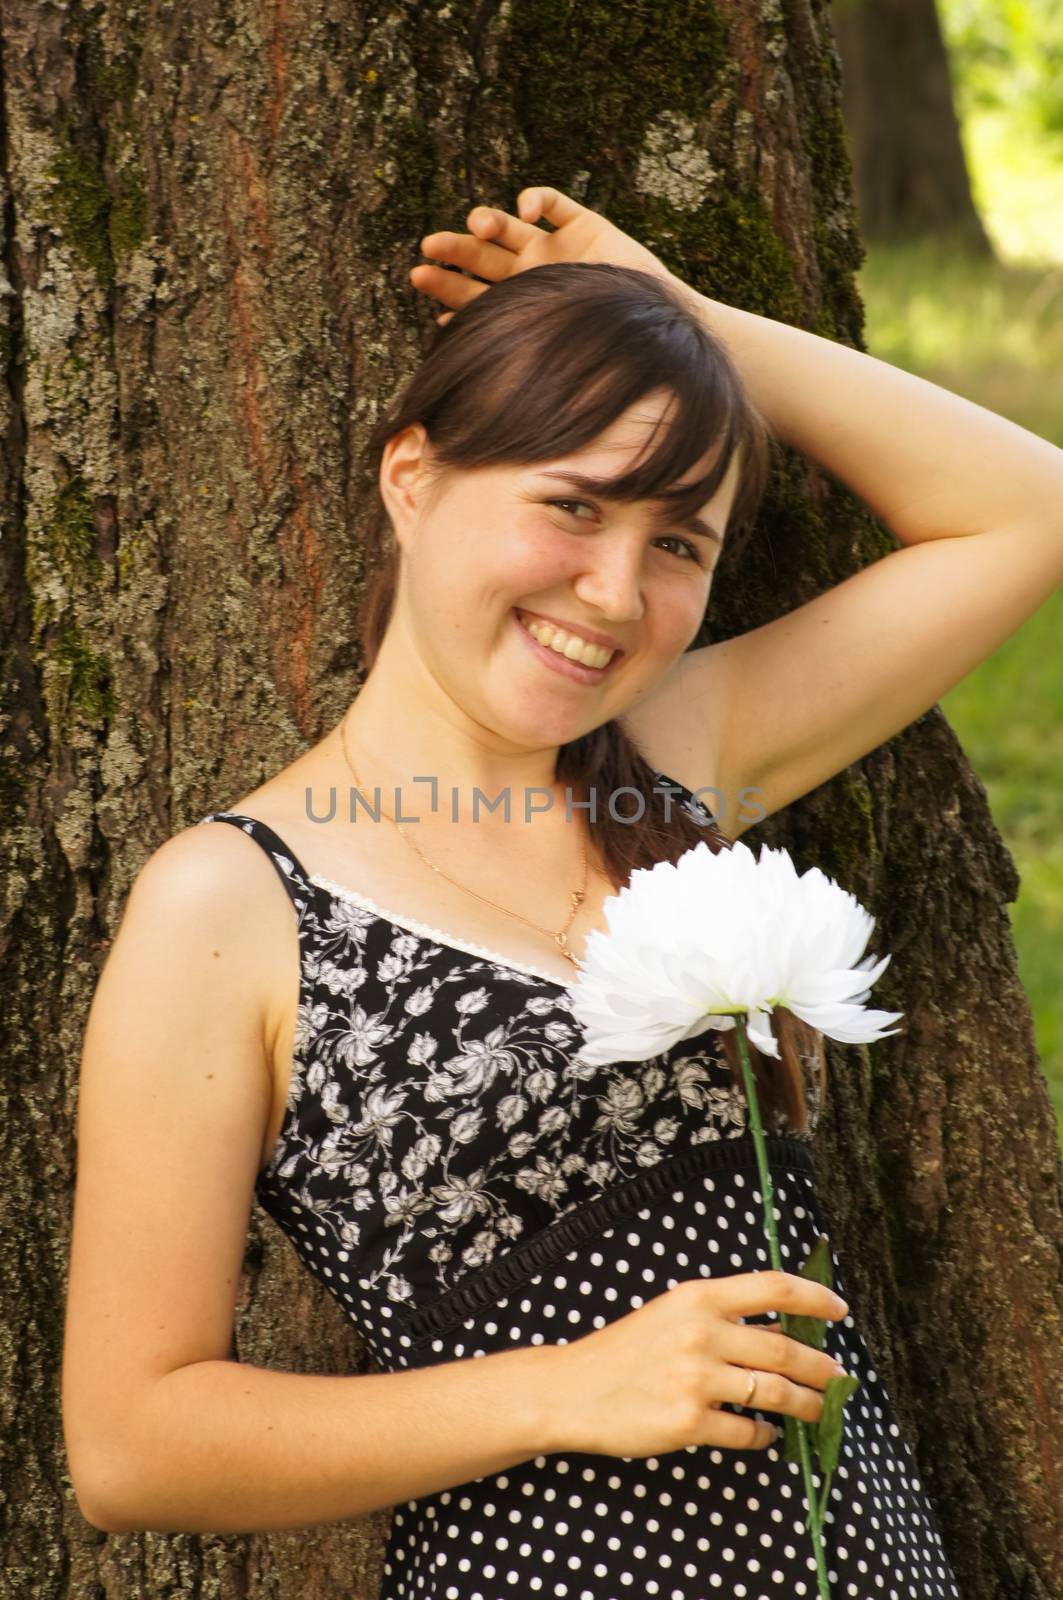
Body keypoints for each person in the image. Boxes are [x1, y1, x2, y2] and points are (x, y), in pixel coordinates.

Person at [61, 184, 1062, 1596]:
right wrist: (570, 1386)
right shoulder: (225, 908)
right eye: (571, 505)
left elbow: (1028, 509)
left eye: (676, 544)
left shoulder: (675, 761)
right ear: (411, 477)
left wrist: (688, 329)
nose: (608, 592)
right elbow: (130, 1441)